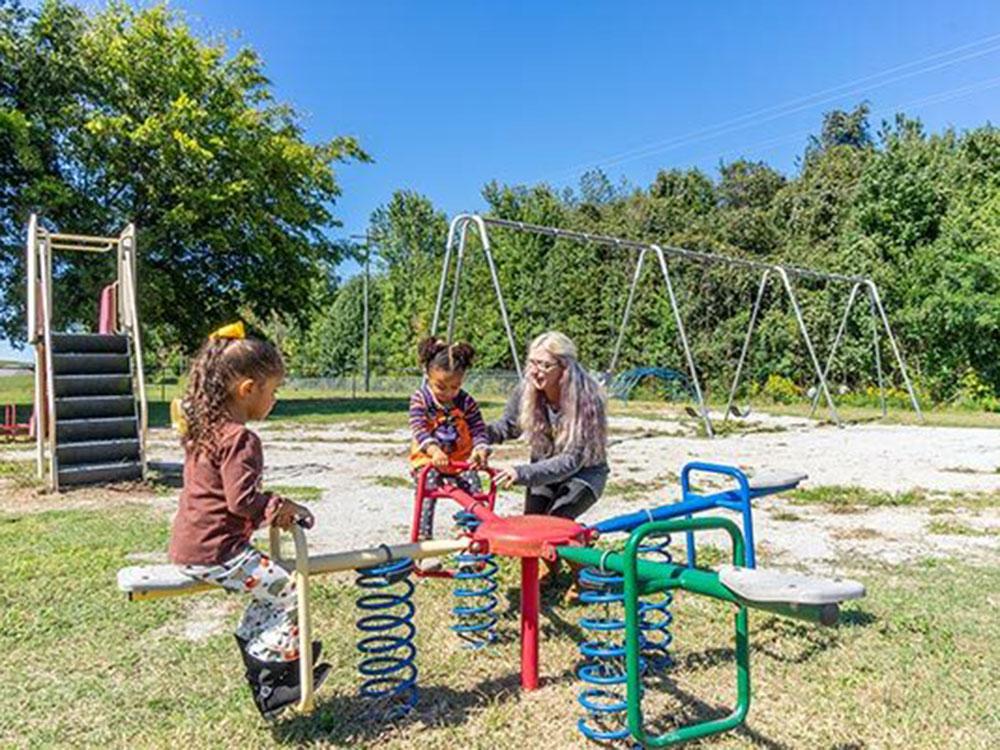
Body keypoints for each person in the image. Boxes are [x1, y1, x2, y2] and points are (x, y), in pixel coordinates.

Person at [168, 322, 329, 720]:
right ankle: (273, 676)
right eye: (273, 391)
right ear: (247, 389)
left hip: (193, 545)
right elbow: (242, 502)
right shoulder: (240, 438)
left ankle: (267, 654)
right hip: (217, 550)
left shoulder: (206, 430)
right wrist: (281, 507)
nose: (274, 400)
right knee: (289, 588)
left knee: (270, 587)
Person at [488, 331, 609, 581]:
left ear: (563, 368)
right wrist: (476, 435)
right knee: (533, 523)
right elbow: (508, 426)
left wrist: (521, 473)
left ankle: (587, 576)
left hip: (585, 473)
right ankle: (550, 568)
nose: (535, 371)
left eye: (544, 365)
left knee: (557, 523)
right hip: (544, 469)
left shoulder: (587, 399)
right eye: (532, 363)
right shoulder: (528, 389)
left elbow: (571, 461)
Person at [409, 338, 490, 548]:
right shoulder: (421, 399)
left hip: (458, 462)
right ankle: (423, 539)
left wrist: (480, 449)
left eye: (454, 387)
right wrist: (434, 451)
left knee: (475, 489)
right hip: (428, 461)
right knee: (428, 487)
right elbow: (419, 428)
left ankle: (472, 534)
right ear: (427, 374)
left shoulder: (466, 402)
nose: (447, 394)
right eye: (441, 386)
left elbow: (478, 429)